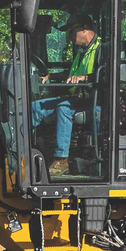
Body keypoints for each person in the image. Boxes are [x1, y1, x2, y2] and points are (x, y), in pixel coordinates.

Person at [31, 24, 100, 176]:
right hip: (77, 99)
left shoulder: (101, 49)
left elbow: (107, 75)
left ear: (85, 29)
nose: (69, 37)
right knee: (35, 107)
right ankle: (23, 150)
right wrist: (50, 76)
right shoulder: (83, 52)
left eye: (71, 32)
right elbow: (70, 74)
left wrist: (85, 78)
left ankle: (61, 160)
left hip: (94, 100)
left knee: (63, 108)